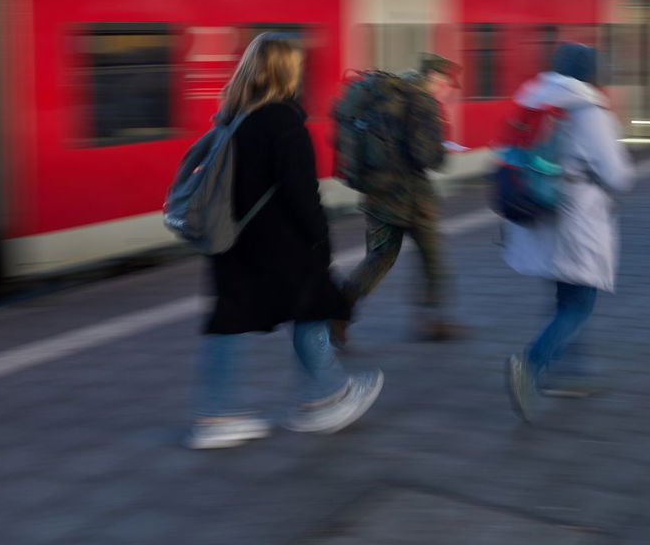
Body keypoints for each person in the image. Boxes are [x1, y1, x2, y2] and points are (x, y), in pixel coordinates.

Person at [188, 33, 382, 450]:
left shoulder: (235, 115)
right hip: (279, 243)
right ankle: (325, 398)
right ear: (287, 70)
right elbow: (301, 193)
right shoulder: (283, 121)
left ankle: (217, 414)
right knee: (312, 306)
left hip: (234, 242)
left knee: (229, 321)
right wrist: (320, 241)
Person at [503, 43, 634, 421]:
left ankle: (568, 372)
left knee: (565, 297)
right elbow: (618, 175)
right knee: (579, 304)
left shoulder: (534, 99)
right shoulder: (589, 111)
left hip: (540, 216)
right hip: (576, 217)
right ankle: (531, 364)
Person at [336, 54, 465, 345]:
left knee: (379, 257)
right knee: (433, 258)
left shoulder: (387, 94)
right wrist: (441, 150)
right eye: (445, 82)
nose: (446, 89)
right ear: (433, 77)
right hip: (412, 200)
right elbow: (426, 157)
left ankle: (338, 313)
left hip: (377, 193)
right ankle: (433, 320)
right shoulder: (423, 103)